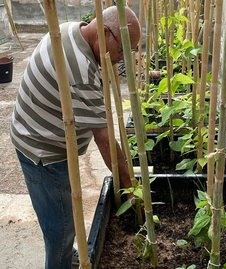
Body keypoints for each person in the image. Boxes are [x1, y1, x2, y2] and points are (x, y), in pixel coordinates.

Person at [10, 5, 141, 269]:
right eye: (119, 52)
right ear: (104, 32)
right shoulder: (81, 72)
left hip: (33, 131)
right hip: (42, 151)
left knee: (62, 220)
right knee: (61, 230)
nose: (119, 59)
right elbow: (105, 141)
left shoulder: (71, 30)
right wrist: (131, 188)